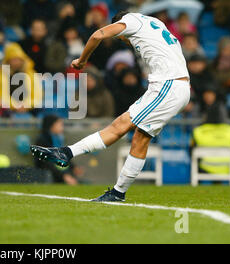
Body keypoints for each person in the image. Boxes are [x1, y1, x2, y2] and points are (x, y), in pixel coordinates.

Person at [31, 11, 190, 202]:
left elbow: (97, 35)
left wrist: (82, 61)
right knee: (140, 137)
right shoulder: (154, 22)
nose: (125, 42)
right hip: (175, 86)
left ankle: (67, 153)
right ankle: (117, 192)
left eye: (122, 39)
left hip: (168, 85)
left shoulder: (130, 21)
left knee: (122, 125)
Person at [34, 115, 79, 185]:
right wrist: (64, 176)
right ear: (51, 125)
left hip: (60, 172)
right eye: (59, 125)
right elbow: (47, 163)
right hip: (47, 174)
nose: (62, 127)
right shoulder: (42, 140)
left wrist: (73, 167)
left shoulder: (58, 139)